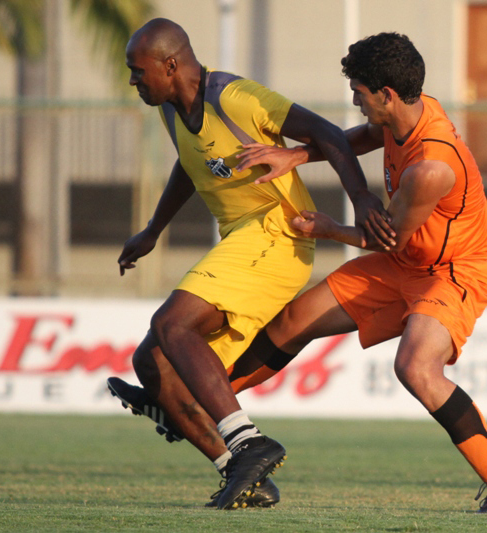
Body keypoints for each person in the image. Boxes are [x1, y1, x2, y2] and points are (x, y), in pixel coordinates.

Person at [233, 32, 487, 514]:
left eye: (359, 91)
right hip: (406, 260)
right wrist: (298, 154)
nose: (355, 100)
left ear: (386, 94)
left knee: (416, 367)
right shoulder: (408, 115)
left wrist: (331, 230)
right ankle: (205, 404)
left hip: (454, 271)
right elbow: (373, 136)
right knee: (294, 322)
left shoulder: (430, 170)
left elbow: (384, 237)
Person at [116, 18, 391, 510]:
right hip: (246, 242)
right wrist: (154, 230)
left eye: (138, 71)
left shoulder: (235, 98)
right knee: (151, 363)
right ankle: (243, 475)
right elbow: (191, 163)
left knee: (172, 325)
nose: (133, 81)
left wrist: (363, 199)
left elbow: (326, 132)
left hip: (277, 234)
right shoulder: (172, 109)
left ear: (171, 65)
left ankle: (249, 442)